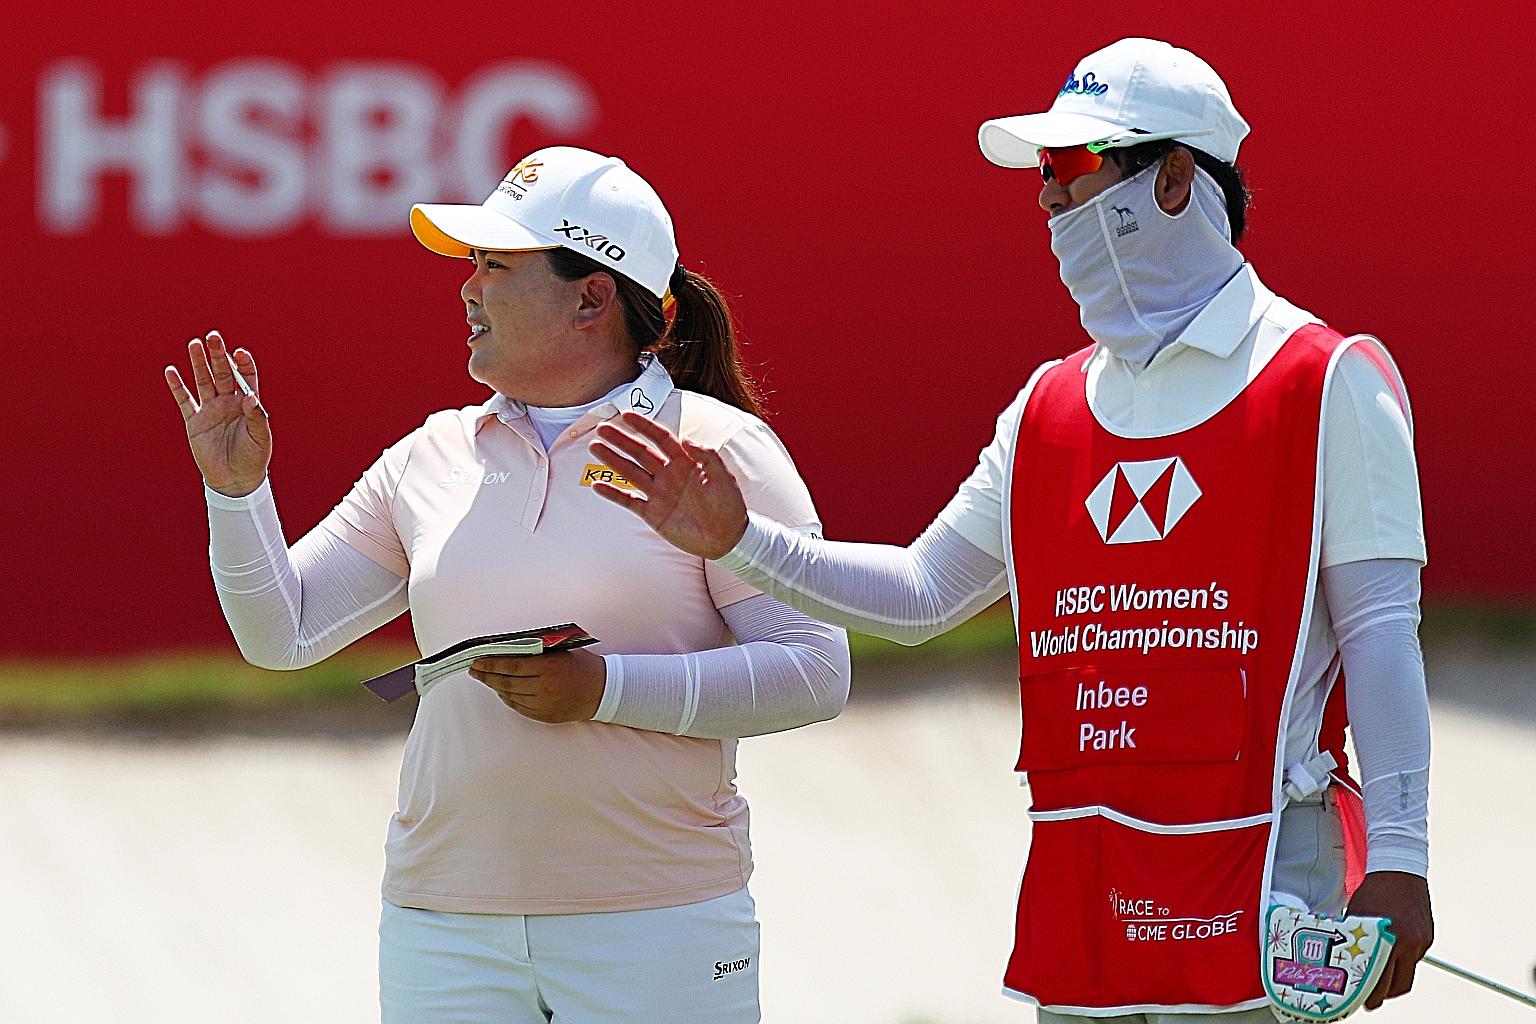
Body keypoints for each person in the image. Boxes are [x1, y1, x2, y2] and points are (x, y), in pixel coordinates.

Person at [589, 39, 1433, 1023]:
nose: (1047, 202)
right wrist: (739, 543)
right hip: (1087, 899)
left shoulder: (1327, 379)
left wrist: (1405, 862)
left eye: (1071, 170)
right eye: (1041, 175)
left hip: (1264, 885)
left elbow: (1380, 632)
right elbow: (921, 593)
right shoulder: (1046, 405)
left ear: (1171, 179)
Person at [162, 145, 850, 1024]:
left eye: (496, 264)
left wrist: (603, 690)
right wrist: (237, 492)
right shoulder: (431, 454)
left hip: (656, 924)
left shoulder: (716, 449)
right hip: (443, 922)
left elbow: (813, 668)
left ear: (592, 296)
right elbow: (282, 633)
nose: (467, 288)